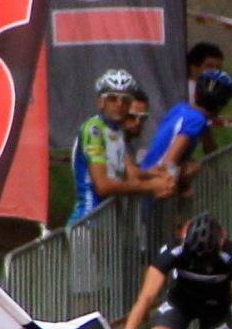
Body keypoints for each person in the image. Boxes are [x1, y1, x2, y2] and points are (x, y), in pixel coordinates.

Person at [69, 70, 169, 225]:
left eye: (125, 100)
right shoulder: (94, 129)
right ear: (101, 102)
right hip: (89, 220)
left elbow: (132, 173)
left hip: (109, 222)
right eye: (112, 98)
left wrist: (156, 175)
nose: (119, 104)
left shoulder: (117, 131)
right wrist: (151, 186)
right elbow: (103, 186)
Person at [140, 67, 232, 190]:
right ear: (222, 105)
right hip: (156, 182)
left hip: (147, 174)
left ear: (196, 94)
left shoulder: (181, 109)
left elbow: (210, 146)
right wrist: (187, 177)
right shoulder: (196, 120)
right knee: (194, 166)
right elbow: (169, 161)